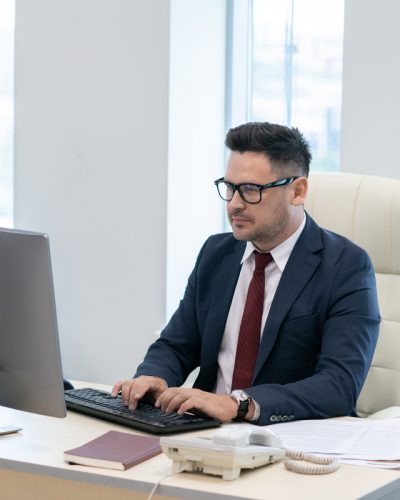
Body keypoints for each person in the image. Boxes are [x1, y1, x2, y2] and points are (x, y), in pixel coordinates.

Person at [112, 121, 380, 425]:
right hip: (201, 432)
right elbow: (177, 344)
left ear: (298, 191)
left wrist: (239, 404)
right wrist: (154, 376)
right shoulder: (216, 253)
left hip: (290, 441)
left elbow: (339, 385)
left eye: (251, 190)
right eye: (230, 188)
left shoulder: (346, 266)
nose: (235, 204)